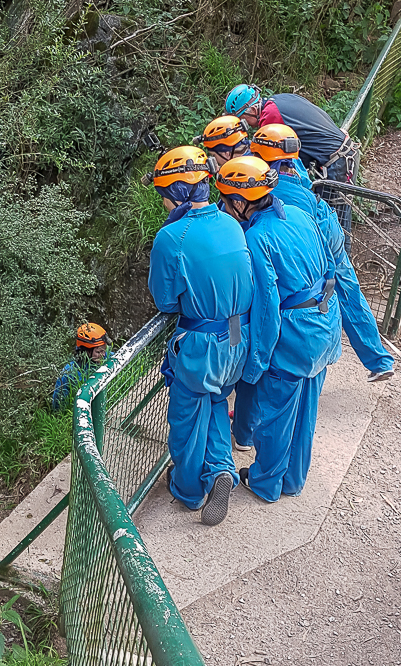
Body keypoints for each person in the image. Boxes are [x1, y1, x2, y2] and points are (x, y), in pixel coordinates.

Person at [215, 155, 342, 503]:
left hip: (295, 336)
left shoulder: (257, 238)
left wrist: (256, 363)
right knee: (306, 412)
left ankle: (265, 483)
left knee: (276, 416)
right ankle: (293, 480)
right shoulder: (299, 214)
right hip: (325, 320)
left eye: (225, 201)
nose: (224, 208)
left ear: (239, 202)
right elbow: (330, 265)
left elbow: (267, 309)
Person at [146, 146, 253, 526]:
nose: (162, 202)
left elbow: (165, 300)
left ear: (177, 192)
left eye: (163, 194)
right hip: (238, 338)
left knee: (187, 419)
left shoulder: (171, 237)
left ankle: (188, 491)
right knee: (217, 401)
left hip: (201, 346)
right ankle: (221, 469)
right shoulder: (231, 223)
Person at [250, 124, 395, 384]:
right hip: (328, 222)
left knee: (317, 288)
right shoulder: (295, 166)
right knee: (348, 290)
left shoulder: (272, 187)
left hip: (317, 233)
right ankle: (379, 359)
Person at [225, 84, 360, 249]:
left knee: (334, 224)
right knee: (334, 219)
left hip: (336, 162)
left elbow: (268, 157)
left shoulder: (271, 117)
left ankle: (342, 260)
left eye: (242, 120)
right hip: (341, 153)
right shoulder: (280, 100)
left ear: (252, 110)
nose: (245, 126)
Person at [52, 322, 109, 411]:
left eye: (104, 350)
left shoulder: (106, 357)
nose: (103, 355)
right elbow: (58, 404)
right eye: (98, 352)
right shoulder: (68, 373)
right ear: (87, 351)